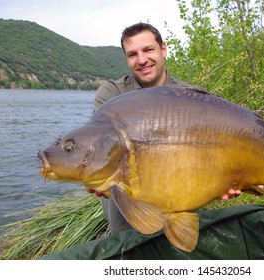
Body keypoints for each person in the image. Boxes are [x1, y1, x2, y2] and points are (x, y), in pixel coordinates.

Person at [87, 22, 239, 234]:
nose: (142, 60)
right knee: (129, 245)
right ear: (126, 59)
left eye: (148, 50)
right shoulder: (111, 94)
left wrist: (227, 179)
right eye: (132, 54)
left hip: (181, 190)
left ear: (163, 49)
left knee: (178, 245)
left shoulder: (191, 97)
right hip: (130, 203)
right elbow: (98, 147)